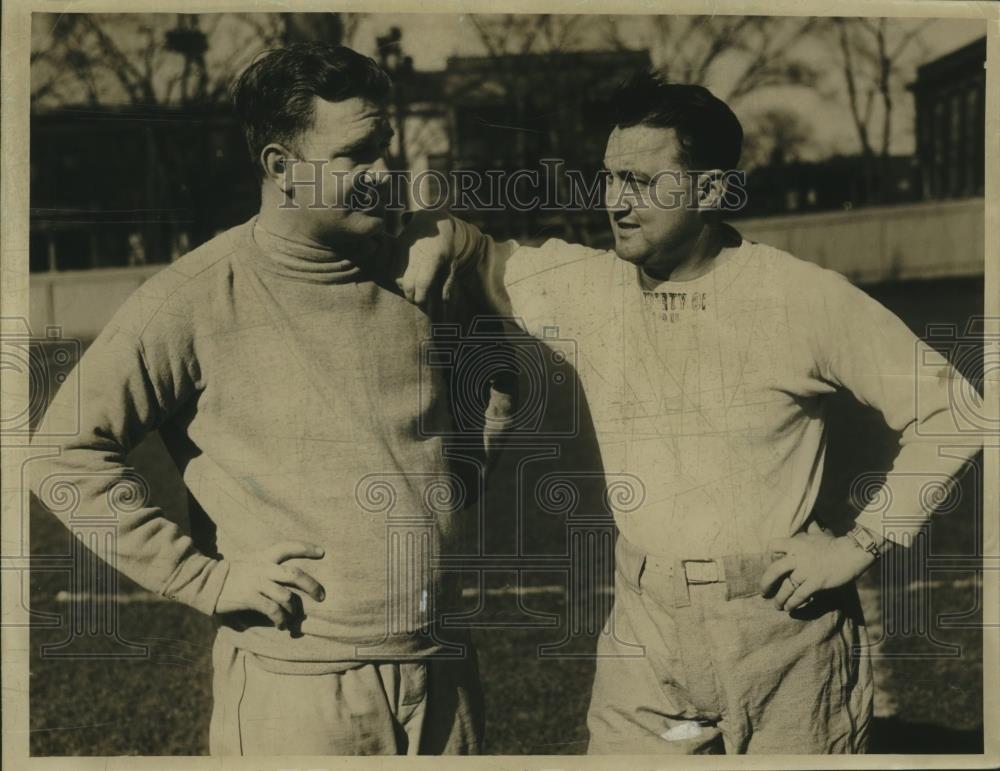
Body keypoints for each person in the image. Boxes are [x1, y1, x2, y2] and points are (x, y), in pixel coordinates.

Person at [398, 71, 983, 754]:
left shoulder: (801, 297)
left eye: (642, 182)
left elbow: (956, 412)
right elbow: (486, 257)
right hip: (643, 636)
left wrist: (860, 544)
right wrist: (442, 236)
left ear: (710, 190)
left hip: (781, 631)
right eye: (610, 178)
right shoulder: (587, 287)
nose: (615, 201)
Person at [30, 43, 503, 756]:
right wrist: (207, 579)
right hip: (298, 689)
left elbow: (503, 370)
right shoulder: (195, 295)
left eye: (386, 148)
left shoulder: (420, 270)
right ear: (281, 167)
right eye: (356, 155)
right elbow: (61, 453)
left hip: (444, 670)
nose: (385, 173)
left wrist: (459, 478)